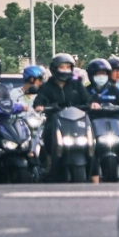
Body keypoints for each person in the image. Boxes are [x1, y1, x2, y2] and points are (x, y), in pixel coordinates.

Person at [33, 53, 92, 182]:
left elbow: (88, 99)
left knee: (93, 139)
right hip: (56, 121)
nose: (65, 70)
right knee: (47, 133)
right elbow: (39, 100)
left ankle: (93, 167)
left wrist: (93, 104)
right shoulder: (46, 86)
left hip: (78, 120)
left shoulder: (76, 85)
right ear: (54, 69)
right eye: (62, 67)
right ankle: (49, 161)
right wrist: (39, 106)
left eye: (68, 67)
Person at [86, 58, 119, 183]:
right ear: (91, 76)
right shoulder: (86, 91)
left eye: (103, 74)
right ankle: (90, 176)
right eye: (98, 74)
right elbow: (81, 103)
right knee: (88, 148)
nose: (101, 77)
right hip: (93, 126)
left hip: (115, 125)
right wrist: (90, 105)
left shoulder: (114, 89)